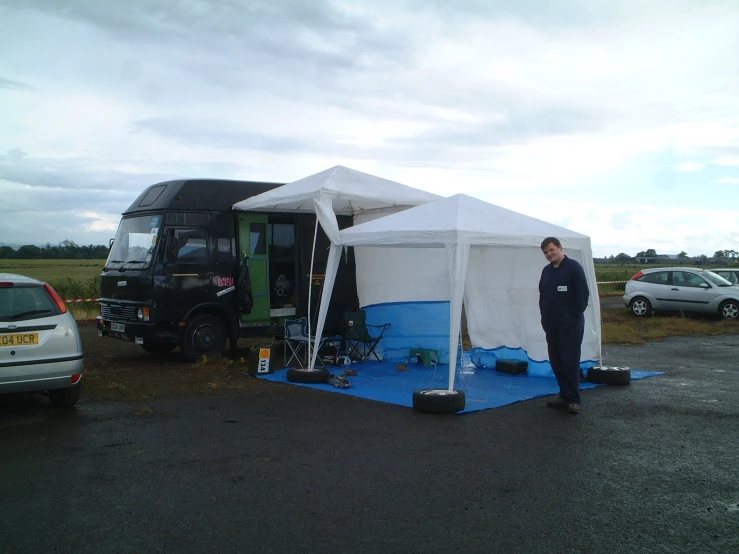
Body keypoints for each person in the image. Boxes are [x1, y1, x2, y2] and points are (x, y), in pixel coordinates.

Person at [539, 237, 589, 414]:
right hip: (551, 325)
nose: (549, 254)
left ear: (560, 248)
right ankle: (564, 395)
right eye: (545, 252)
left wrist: (572, 317)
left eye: (551, 250)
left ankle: (574, 400)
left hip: (570, 325)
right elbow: (542, 295)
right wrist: (544, 317)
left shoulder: (573, 268)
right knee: (556, 361)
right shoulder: (547, 271)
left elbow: (582, 296)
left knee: (570, 361)